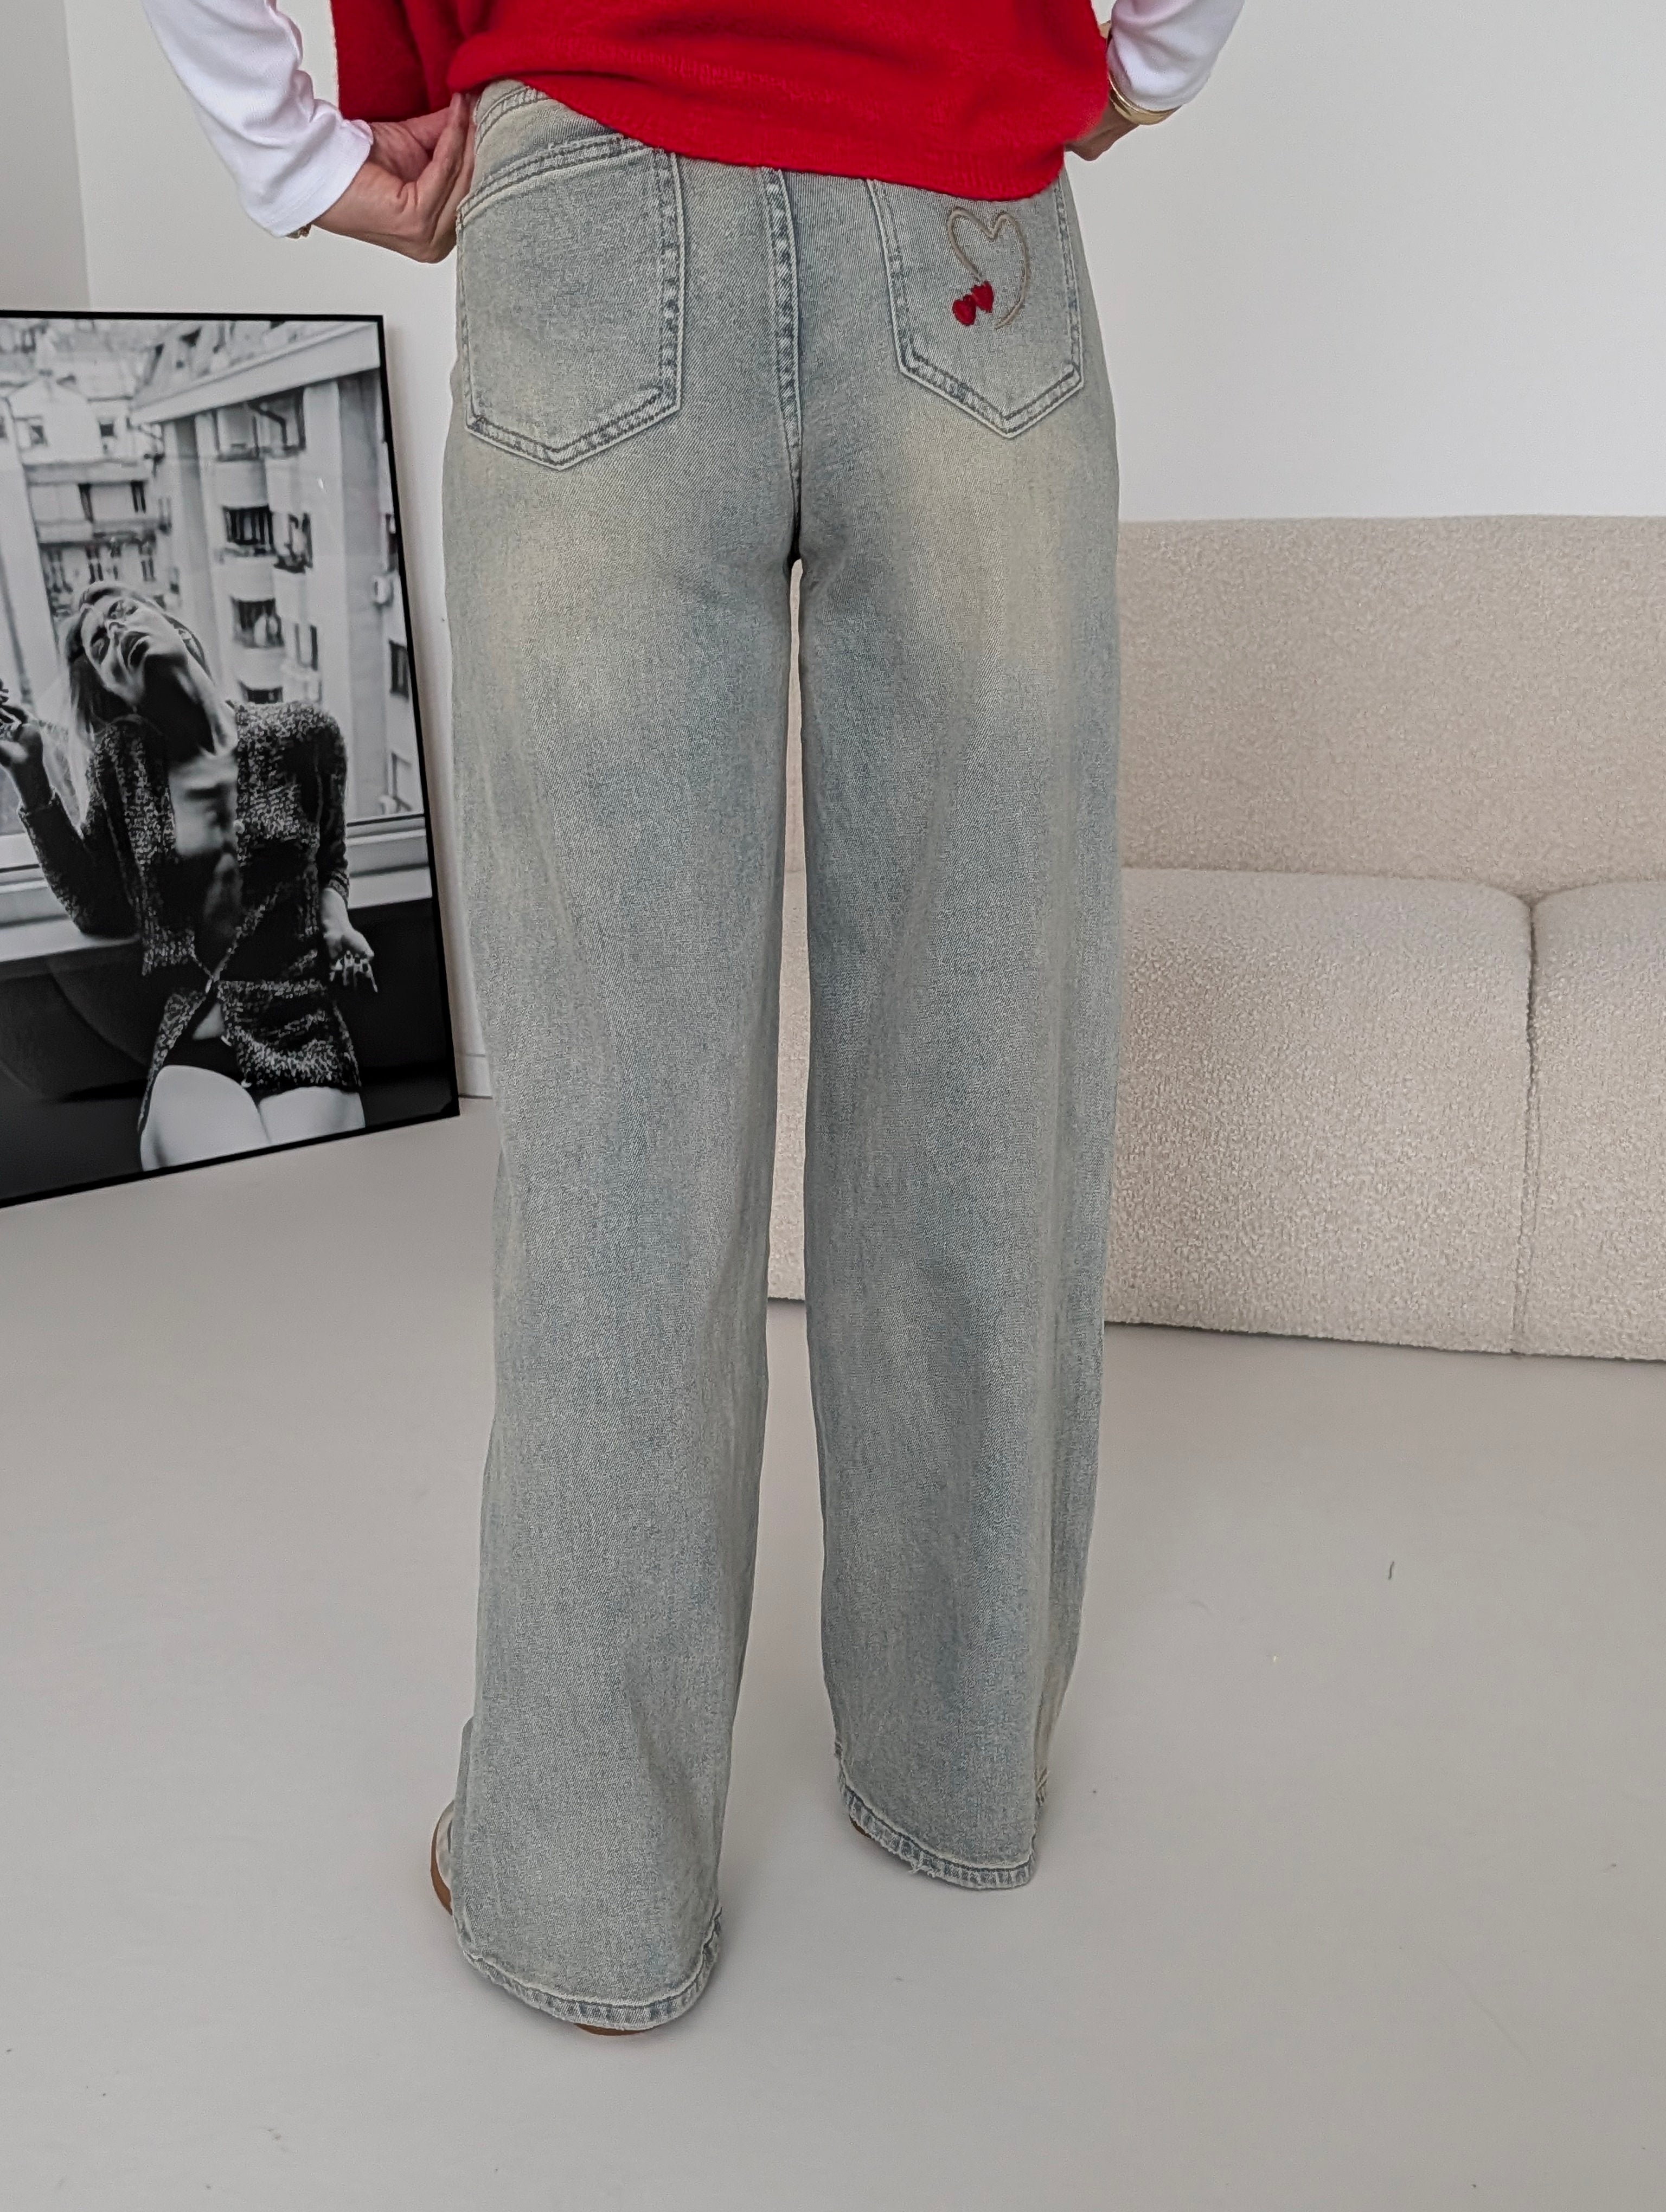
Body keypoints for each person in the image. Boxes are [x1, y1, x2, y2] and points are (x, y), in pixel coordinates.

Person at [139, 0, 1248, 2034]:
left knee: (616, 1126)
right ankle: (955, 1762)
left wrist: (290, 149)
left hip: (591, 202)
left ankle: (586, 1882)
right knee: (979, 1063)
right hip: (963, 207)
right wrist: (1147, 57)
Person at [0, 582, 375, 1171]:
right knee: (239, 1187)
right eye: (100, 645)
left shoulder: (306, 733)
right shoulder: (122, 765)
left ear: (176, 628)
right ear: (112, 687)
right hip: (193, 1044)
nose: (116, 631)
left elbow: (331, 858)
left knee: (311, 1187)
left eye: (124, 613)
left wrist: (337, 920)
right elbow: (97, 907)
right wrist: (31, 779)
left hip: (302, 1028)